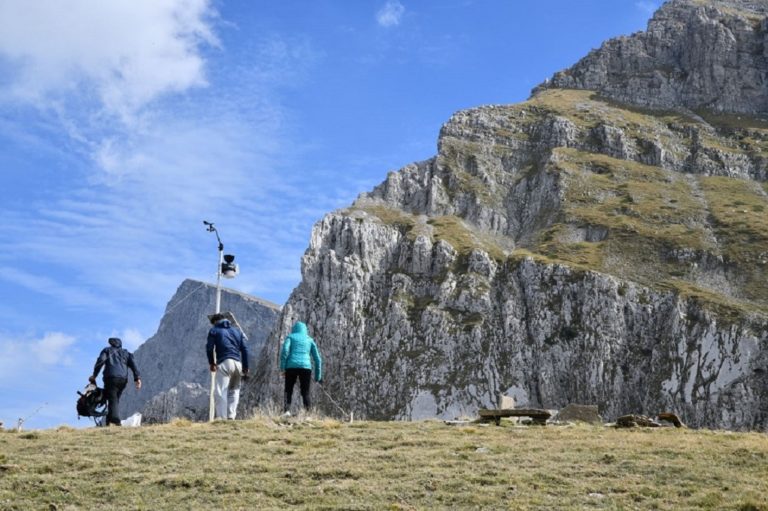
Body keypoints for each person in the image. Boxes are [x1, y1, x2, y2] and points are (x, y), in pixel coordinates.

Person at [206, 313, 250, 420]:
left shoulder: (214, 330)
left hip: (225, 362)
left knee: (221, 391)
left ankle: (222, 417)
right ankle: (231, 416)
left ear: (215, 322)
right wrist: (245, 367)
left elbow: (209, 348)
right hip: (238, 363)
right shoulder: (237, 331)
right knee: (234, 390)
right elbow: (245, 349)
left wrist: (212, 363)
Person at [89, 337, 141, 426]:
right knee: (114, 399)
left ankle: (115, 421)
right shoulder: (126, 353)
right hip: (123, 380)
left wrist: (94, 375)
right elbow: (134, 365)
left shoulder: (107, 350)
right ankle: (109, 422)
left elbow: (100, 361)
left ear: (111, 344)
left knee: (113, 398)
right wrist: (137, 378)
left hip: (111, 378)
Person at [280, 321, 322, 414]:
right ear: (305, 330)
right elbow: (318, 359)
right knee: (305, 392)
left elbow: (285, 351)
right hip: (306, 367)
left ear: (294, 329)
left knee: (288, 390)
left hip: (291, 367)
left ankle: (286, 411)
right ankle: (308, 413)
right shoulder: (310, 340)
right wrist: (318, 376)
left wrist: (282, 368)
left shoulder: (290, 337)